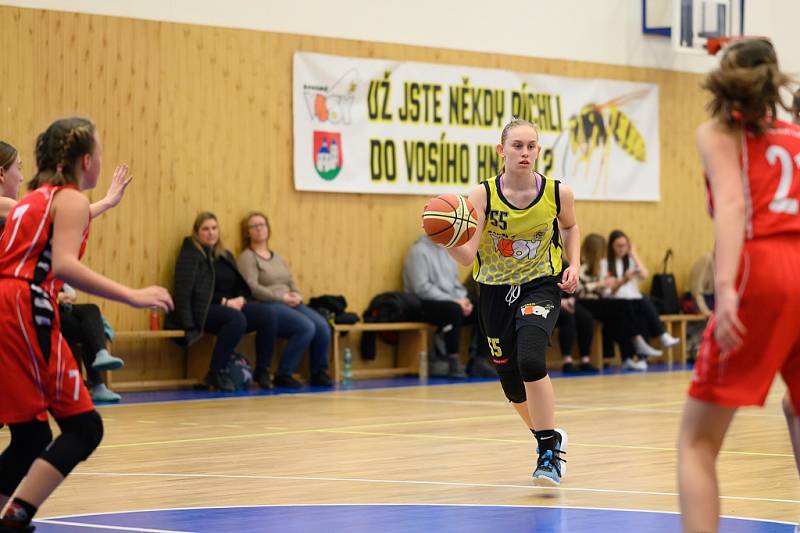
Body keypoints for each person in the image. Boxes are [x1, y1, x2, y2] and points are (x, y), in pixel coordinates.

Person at [0, 117, 173, 533]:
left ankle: (13, 516)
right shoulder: (68, 199)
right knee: (84, 426)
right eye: (98, 149)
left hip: (10, 305)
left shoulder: (33, 200)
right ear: (86, 159)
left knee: (31, 436)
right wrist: (133, 295)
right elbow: (63, 264)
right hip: (25, 306)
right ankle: (16, 518)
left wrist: (106, 203)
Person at [677, 39, 800, 533]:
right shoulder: (795, 134)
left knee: (697, 443)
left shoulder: (720, 132)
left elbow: (732, 205)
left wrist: (725, 287)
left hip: (763, 271)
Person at [446, 118, 580, 485]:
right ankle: (548, 437)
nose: (525, 152)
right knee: (510, 381)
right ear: (501, 150)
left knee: (532, 359)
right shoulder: (482, 195)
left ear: (538, 150)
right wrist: (446, 239)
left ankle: (549, 455)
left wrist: (575, 264)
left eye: (531, 145)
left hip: (540, 284)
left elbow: (569, 226)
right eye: (517, 145)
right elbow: (468, 255)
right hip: (493, 289)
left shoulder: (557, 192)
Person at [166, 212, 279, 392]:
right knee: (236, 319)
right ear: (197, 232)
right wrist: (223, 303)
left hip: (230, 307)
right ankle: (216, 371)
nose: (211, 233)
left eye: (214, 228)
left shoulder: (224, 255)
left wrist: (241, 298)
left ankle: (262, 370)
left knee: (268, 314)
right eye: (205, 229)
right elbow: (185, 292)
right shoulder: (191, 255)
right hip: (203, 311)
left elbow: (239, 284)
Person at [237, 211, 332, 388]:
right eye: (254, 226)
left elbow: (289, 280)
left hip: (290, 301)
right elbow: (253, 287)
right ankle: (284, 373)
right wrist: (281, 297)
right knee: (306, 327)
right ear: (247, 232)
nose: (259, 229)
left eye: (262, 224)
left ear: (268, 228)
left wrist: (297, 295)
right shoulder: (247, 257)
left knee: (322, 326)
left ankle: (318, 372)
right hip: (269, 304)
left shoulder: (277, 257)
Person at [402, 234, 486, 379]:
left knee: (482, 308)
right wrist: (454, 301)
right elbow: (421, 288)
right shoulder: (418, 251)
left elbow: (455, 283)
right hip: (422, 303)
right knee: (452, 310)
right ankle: (452, 362)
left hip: (450, 301)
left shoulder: (448, 250)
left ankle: (478, 360)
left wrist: (463, 299)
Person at [578, 233, 663, 370]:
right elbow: (579, 290)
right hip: (584, 303)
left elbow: (602, 290)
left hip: (597, 301)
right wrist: (601, 284)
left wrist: (612, 284)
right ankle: (639, 340)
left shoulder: (597, 265)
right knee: (624, 306)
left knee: (623, 315)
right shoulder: (582, 264)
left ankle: (627, 357)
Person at [600, 229, 680, 369]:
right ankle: (659, 337)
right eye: (618, 246)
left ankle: (637, 357)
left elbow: (644, 275)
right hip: (614, 300)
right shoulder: (605, 262)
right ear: (611, 246)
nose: (621, 249)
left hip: (632, 299)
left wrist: (634, 254)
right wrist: (623, 281)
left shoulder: (630, 260)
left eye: (625, 245)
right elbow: (606, 292)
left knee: (641, 309)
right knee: (639, 305)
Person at [58, 283, 125, 402]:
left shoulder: (57, 269)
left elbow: (71, 293)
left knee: (92, 309)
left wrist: (68, 296)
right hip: (46, 313)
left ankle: (102, 354)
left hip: (63, 308)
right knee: (89, 329)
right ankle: (98, 386)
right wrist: (59, 296)